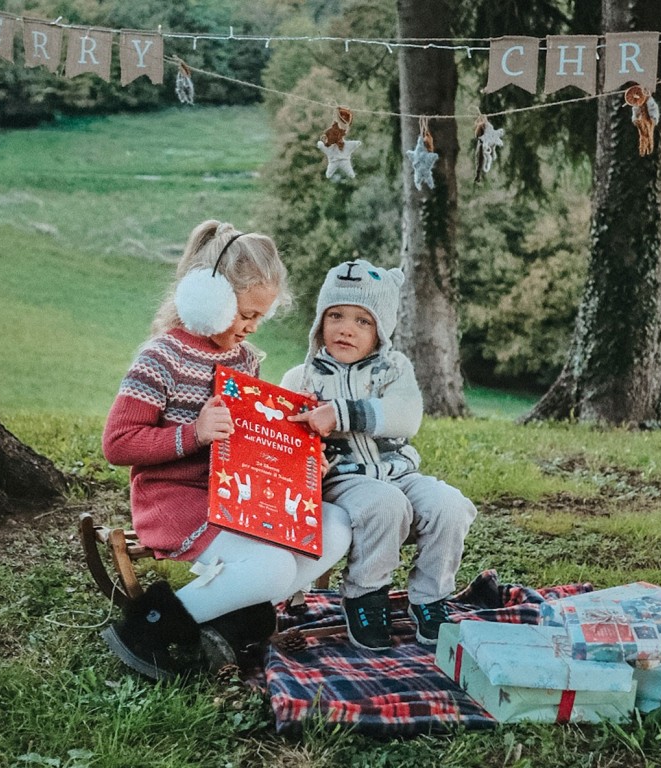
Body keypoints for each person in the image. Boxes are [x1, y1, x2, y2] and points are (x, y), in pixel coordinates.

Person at [100, 220, 352, 680]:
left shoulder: (244, 360)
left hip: (237, 495)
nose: (254, 328)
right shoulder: (162, 357)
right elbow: (117, 444)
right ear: (209, 299)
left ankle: (232, 623)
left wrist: (297, 452)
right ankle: (148, 627)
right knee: (274, 568)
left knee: (334, 526)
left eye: (262, 317)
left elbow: (250, 438)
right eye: (246, 314)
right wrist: (192, 433)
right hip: (177, 501)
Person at [280, 259, 477, 651]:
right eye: (335, 315)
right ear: (320, 321)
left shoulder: (394, 369)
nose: (346, 328)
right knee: (385, 506)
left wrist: (340, 413)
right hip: (343, 478)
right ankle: (365, 596)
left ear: (381, 330)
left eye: (362, 321)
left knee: (449, 506)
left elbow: (406, 417)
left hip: (397, 472)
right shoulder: (301, 378)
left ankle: (431, 598)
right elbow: (283, 439)